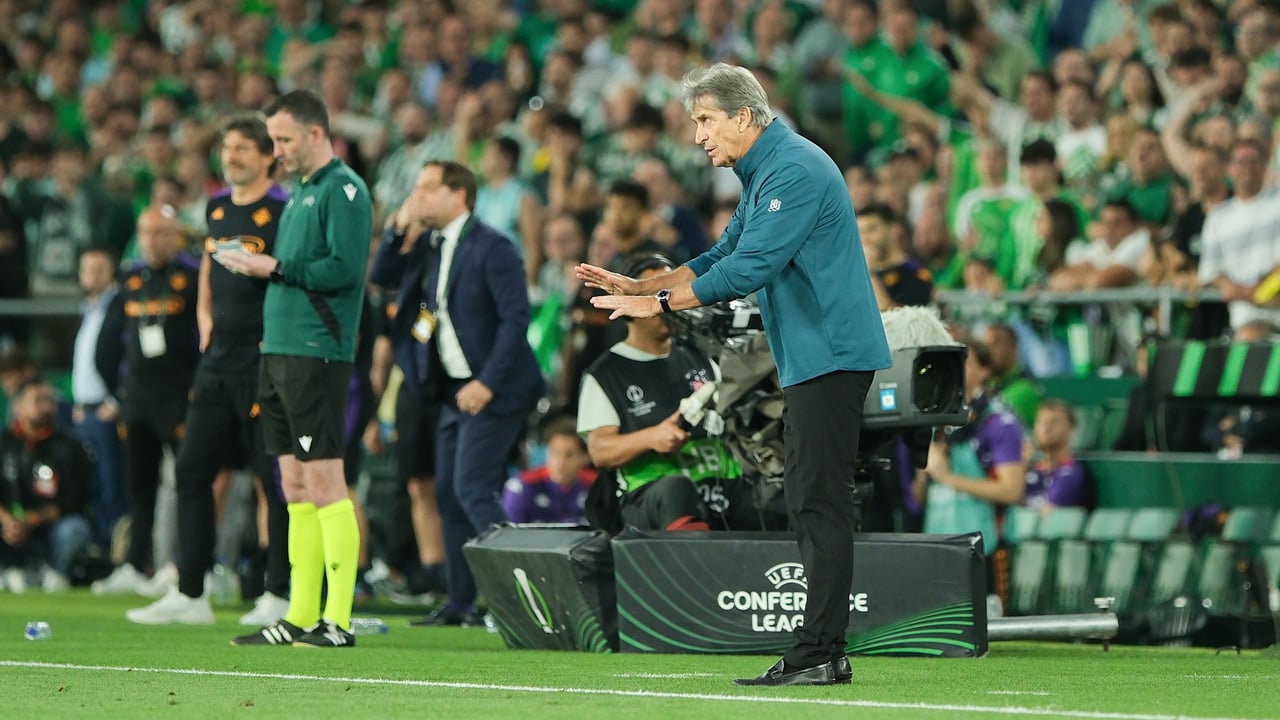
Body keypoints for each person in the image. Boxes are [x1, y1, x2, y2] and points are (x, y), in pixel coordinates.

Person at [576, 63, 890, 687]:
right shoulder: (767, 170)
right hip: (813, 358)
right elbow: (722, 254)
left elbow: (749, 269)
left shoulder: (793, 169)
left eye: (706, 120)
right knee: (809, 498)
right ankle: (824, 650)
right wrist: (644, 285)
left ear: (744, 116)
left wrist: (659, 304)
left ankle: (821, 650)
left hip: (830, 356)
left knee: (818, 501)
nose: (698, 135)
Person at [218, 90, 373, 648]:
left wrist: (273, 266)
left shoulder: (343, 189)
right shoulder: (302, 190)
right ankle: (300, 614)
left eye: (283, 139)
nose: (276, 150)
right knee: (293, 483)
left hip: (316, 352)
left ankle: (339, 620)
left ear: (314, 133)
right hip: (280, 350)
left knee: (326, 481)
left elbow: (345, 269)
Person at [126, 115, 290, 626]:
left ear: (267, 156)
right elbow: (209, 268)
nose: (231, 156)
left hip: (262, 362)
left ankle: (279, 592)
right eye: (227, 148)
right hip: (216, 362)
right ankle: (191, 591)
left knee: (271, 478)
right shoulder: (216, 207)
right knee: (192, 470)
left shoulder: (284, 210)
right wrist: (202, 315)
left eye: (242, 148)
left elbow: (290, 274)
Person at [375, 159, 540, 629]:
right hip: (451, 391)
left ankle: (522, 600)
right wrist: (398, 226)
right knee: (447, 493)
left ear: (459, 195)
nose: (418, 195)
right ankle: (462, 602)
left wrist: (487, 382)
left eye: (428, 187)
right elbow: (384, 275)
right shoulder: (429, 246)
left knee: (472, 488)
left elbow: (516, 320)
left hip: (496, 388)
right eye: (416, 187)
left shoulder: (494, 246)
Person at [578, 254, 775, 532]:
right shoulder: (606, 373)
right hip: (652, 494)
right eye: (656, 293)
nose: (667, 301)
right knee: (677, 491)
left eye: (670, 292)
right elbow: (600, 451)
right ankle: (690, 559)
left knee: (779, 492)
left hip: (720, 486)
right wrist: (652, 437)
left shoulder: (701, 354)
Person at [91, 205, 201, 597]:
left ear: (176, 236)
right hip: (137, 400)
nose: (152, 241)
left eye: (161, 233)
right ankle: (136, 564)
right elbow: (107, 343)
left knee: (188, 483)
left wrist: (199, 388)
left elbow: (207, 334)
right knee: (139, 486)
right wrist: (118, 392)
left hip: (179, 398)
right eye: (146, 233)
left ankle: (184, 566)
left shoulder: (193, 277)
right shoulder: (130, 278)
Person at [0, 377, 92, 592]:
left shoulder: (69, 445)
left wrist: (32, 520)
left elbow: (75, 500)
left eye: (49, 400)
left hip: (51, 529)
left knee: (75, 528)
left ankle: (55, 573)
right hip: (10, 528)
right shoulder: (4, 444)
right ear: (18, 406)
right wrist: (9, 521)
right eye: (38, 400)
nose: (46, 406)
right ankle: (9, 570)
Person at [71, 247, 125, 553]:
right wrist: (80, 404)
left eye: (98, 269)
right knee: (92, 484)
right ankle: (102, 549)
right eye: (86, 269)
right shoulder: (89, 309)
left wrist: (116, 401)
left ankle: (119, 551)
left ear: (111, 272)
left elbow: (126, 357)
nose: (91, 275)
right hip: (86, 410)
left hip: (107, 410)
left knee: (111, 483)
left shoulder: (118, 307)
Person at [501, 416, 596, 525]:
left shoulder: (595, 486)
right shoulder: (523, 486)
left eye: (569, 455)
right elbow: (511, 533)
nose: (560, 463)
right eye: (555, 453)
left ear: (586, 457)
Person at [1023, 399, 1089, 512]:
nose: (1046, 428)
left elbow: (1049, 514)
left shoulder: (1071, 473)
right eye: (1041, 422)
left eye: (1054, 422)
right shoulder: (1029, 470)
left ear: (1071, 429)